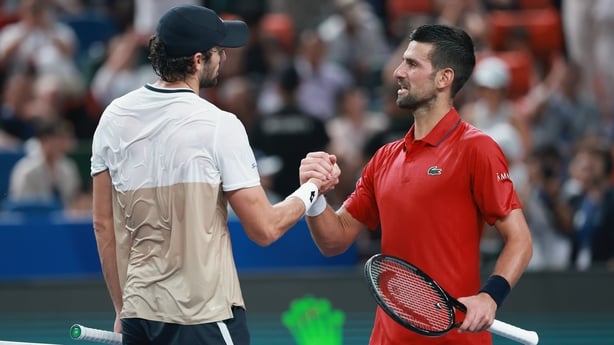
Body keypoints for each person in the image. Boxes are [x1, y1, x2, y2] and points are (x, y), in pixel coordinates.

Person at [90, 5, 338, 345]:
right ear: (196, 60)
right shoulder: (220, 125)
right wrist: (312, 188)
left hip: (139, 315)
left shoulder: (113, 117)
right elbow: (265, 229)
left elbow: (104, 224)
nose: (223, 57)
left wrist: (122, 308)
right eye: (217, 51)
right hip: (204, 316)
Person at [299, 24, 533, 345]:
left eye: (412, 64)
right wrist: (313, 196)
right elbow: (334, 240)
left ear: (443, 78)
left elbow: (520, 239)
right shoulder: (383, 158)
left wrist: (489, 297)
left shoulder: (477, 149)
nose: (398, 72)